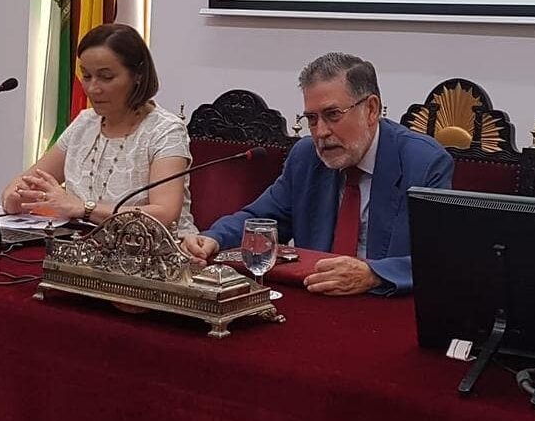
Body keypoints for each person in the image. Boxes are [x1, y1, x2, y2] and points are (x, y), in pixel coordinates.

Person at [182, 52, 454, 296]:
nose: (321, 132)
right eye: (312, 119)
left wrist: (374, 275)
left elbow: (441, 259)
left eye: (332, 114)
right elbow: (259, 219)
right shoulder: (305, 157)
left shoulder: (424, 163)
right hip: (316, 296)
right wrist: (214, 238)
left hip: (385, 304)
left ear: (371, 109)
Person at [1, 23, 197, 236]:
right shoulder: (84, 123)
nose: (93, 88)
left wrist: (83, 209)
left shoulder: (165, 131)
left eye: (106, 77)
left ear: (138, 76)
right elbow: (25, 183)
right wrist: (15, 196)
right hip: (84, 247)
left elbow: (165, 214)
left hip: (155, 253)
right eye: (86, 76)